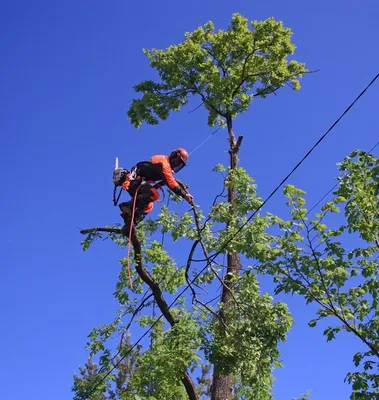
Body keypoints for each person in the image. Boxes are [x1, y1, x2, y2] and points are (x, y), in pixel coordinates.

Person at [118, 148, 194, 235]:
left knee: (149, 206)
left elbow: (169, 180)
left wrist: (185, 192)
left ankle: (130, 226)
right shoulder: (164, 163)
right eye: (177, 161)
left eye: (179, 164)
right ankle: (127, 206)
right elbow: (171, 182)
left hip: (137, 183)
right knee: (154, 194)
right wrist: (185, 195)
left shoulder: (166, 168)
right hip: (133, 181)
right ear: (173, 155)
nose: (177, 164)